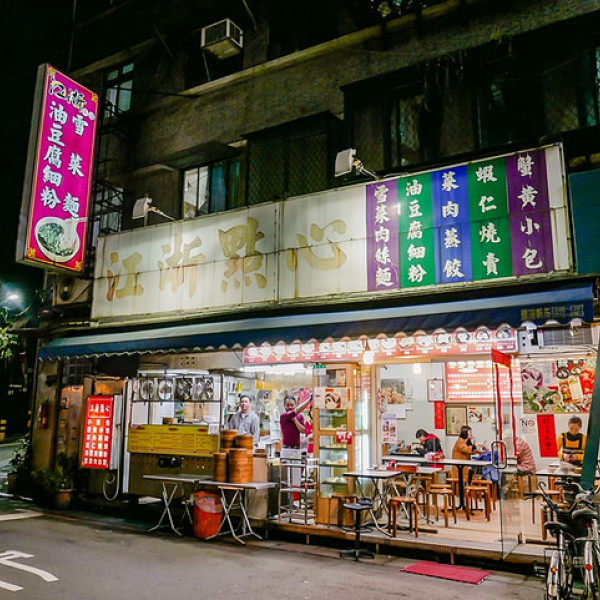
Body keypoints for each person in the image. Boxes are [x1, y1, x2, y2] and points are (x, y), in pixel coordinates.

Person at [452, 425, 483, 510]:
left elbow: (472, 451)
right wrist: (476, 445)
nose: (471, 434)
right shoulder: (460, 441)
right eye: (470, 432)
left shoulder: (467, 442)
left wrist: (481, 451)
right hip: (459, 467)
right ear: (464, 433)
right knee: (460, 484)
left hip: (464, 467)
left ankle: (464, 503)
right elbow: (465, 449)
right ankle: (461, 503)